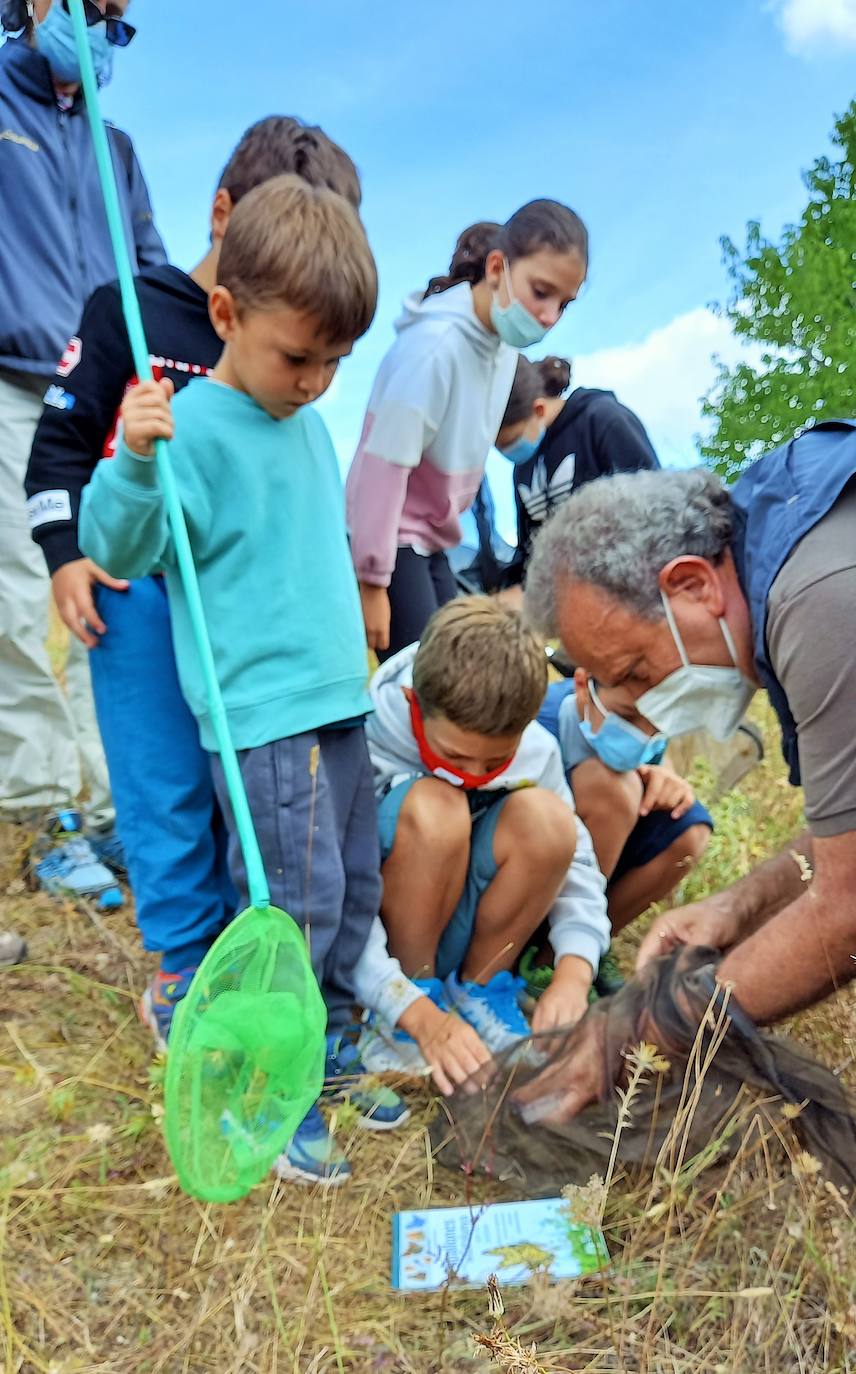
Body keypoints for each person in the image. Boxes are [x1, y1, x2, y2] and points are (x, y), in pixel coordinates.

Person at [79, 175, 407, 1187]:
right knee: (289, 912)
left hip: (335, 708)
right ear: (225, 314)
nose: (314, 382)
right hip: (264, 723)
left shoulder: (303, 425)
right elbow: (115, 543)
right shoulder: (188, 426)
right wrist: (133, 460)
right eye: (297, 356)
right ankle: (272, 1088)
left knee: (350, 893)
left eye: (335, 363)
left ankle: (331, 1044)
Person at [26, 115, 363, 1046]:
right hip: (134, 591)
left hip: (240, 606)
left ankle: (244, 968)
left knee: (246, 799)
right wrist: (67, 559)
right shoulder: (127, 309)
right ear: (225, 217)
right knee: (164, 781)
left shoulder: (295, 380)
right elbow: (58, 450)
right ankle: (183, 965)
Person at [520, 421, 856, 1120]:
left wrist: (633, 1034)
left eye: (638, 670)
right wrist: (740, 905)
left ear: (694, 583)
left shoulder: (818, 599)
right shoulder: (779, 546)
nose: (642, 705)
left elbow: (847, 909)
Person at [0, 0, 164, 908]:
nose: (102, 31)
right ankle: (39, 809)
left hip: (97, 404)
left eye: (118, 20)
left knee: (108, 604)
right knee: (22, 604)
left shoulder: (118, 148)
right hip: (11, 382)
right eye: (93, 8)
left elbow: (147, 263)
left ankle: (112, 817)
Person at [352, 596, 610, 1095]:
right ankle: (401, 1016)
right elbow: (332, 884)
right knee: (437, 807)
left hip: (459, 920)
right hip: (378, 943)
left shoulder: (538, 750)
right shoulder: (365, 738)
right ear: (414, 707)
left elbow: (575, 859)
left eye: (495, 761)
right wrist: (405, 1004)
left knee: (552, 821)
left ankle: (479, 992)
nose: (470, 775)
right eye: (451, 755)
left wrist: (575, 970)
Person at [346, 204, 589, 660]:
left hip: (432, 536)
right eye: (541, 292)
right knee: (420, 685)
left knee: (454, 672)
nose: (550, 315)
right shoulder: (433, 349)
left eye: (565, 303)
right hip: (393, 538)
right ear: (497, 268)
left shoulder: (498, 351)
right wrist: (372, 580)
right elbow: (383, 468)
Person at [536, 675, 711, 964]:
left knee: (689, 829)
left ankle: (572, 957)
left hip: (592, 868)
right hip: (533, 863)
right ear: (582, 685)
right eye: (627, 716)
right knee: (613, 791)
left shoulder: (645, 726)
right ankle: (526, 952)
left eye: (657, 721)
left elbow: (658, 757)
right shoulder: (540, 721)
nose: (640, 734)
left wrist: (664, 776)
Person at [495, 355, 659, 594]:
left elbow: (654, 512)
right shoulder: (523, 466)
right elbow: (528, 549)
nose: (507, 452)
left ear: (538, 409)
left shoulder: (602, 420)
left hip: (628, 589)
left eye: (509, 442)